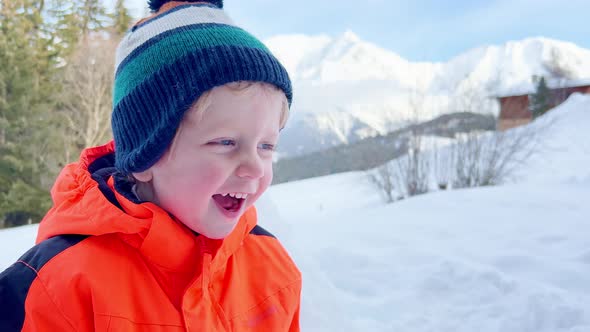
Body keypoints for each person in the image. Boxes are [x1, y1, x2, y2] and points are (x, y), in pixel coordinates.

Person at [0, 0, 301, 331]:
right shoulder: (58, 286)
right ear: (145, 156)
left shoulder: (273, 268)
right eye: (225, 143)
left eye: (266, 146)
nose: (255, 168)